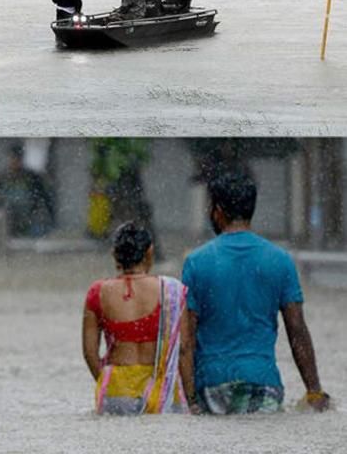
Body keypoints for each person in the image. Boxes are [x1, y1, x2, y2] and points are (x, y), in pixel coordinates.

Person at [180, 169, 330, 415]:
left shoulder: (196, 262)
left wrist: (190, 401)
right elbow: (297, 331)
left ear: (217, 211)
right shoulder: (280, 260)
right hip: (264, 383)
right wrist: (314, 391)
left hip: (212, 386)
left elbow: (187, 341)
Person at [83, 221, 188, 415]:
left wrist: (105, 381)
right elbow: (183, 349)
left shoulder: (98, 292)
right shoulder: (172, 291)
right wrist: (192, 397)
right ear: (150, 252)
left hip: (116, 388)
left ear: (114, 254)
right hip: (161, 390)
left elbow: (90, 353)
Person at [0, 144, 54, 238]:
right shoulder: (2, 178)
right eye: (12, 158)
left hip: (28, 220)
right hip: (8, 222)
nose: (14, 162)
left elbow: (43, 198)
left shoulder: (32, 177)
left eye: (17, 159)